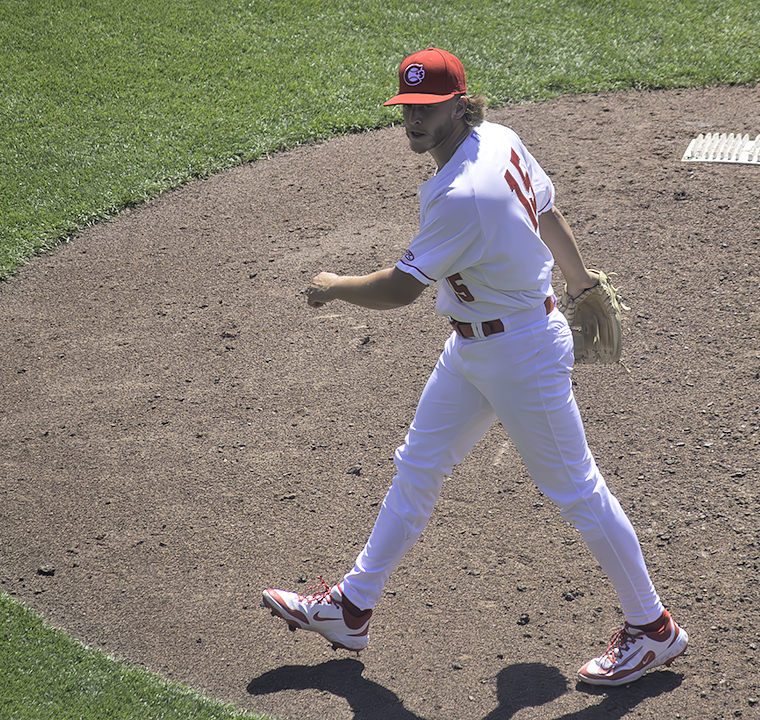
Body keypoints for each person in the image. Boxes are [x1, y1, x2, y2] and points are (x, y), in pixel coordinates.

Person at [262, 47, 688, 686]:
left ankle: (653, 630)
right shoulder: (500, 139)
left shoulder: (464, 194)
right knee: (419, 465)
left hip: (519, 355)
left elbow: (400, 288)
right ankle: (353, 606)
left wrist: (332, 285)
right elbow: (544, 209)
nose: (413, 120)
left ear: (461, 105)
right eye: (406, 107)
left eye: (427, 109)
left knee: (576, 490)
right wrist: (581, 285)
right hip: (476, 346)